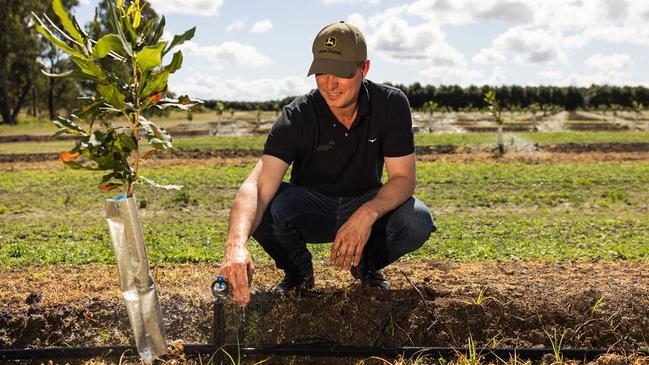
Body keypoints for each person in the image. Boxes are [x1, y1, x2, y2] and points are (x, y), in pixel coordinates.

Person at [218, 21, 436, 307]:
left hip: (363, 201)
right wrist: (235, 245)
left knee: (416, 220)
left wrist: (367, 214)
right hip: (311, 207)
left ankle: (366, 265)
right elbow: (257, 185)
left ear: (364, 69)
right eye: (321, 71)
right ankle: (298, 273)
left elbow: (403, 178)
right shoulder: (297, 116)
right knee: (265, 206)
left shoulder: (390, 104)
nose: (329, 84)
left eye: (342, 73)